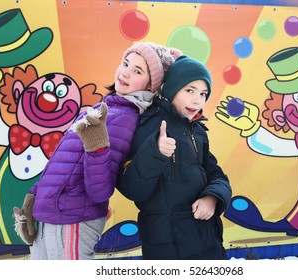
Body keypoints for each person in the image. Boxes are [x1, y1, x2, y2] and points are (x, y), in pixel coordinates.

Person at [12, 42, 181, 260]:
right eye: (126, 63)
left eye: (138, 71)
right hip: (54, 214)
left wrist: (97, 147)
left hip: (73, 217)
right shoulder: (106, 108)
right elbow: (62, 164)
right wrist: (35, 197)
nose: (126, 72)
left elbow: (99, 191)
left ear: (151, 86)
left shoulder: (125, 119)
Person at [116, 56, 232, 260]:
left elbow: (216, 173)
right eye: (190, 90)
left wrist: (212, 198)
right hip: (168, 248)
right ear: (172, 89)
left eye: (203, 94)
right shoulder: (149, 125)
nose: (197, 100)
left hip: (206, 240)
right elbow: (132, 189)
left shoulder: (197, 130)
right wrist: (155, 152)